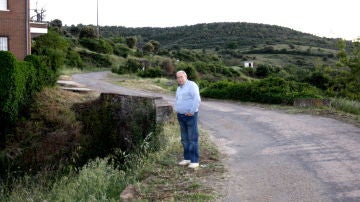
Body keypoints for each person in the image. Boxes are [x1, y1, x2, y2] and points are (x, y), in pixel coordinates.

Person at [175, 70, 201, 169]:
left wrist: (192, 111)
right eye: (178, 77)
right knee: (184, 138)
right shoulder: (179, 88)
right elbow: (177, 100)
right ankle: (187, 158)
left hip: (190, 115)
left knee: (192, 138)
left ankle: (195, 160)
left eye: (181, 77)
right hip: (181, 116)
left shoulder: (192, 85)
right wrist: (177, 110)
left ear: (186, 76)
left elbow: (197, 99)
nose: (180, 79)